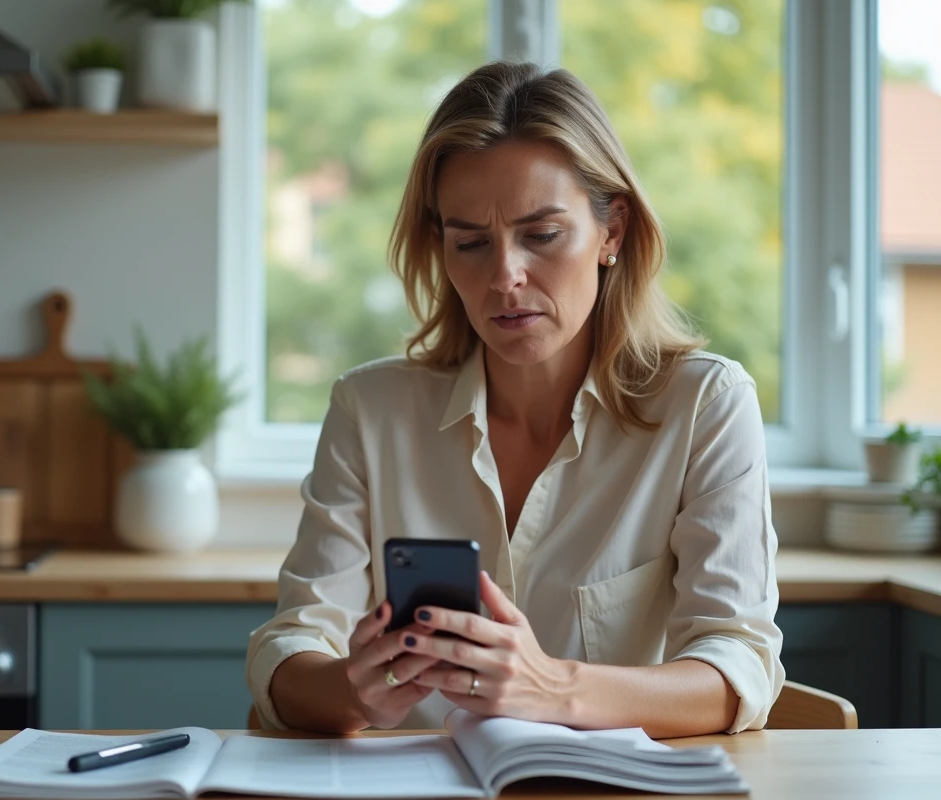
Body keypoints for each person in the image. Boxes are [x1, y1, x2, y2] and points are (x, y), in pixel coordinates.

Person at [245, 61, 784, 738]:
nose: (504, 277)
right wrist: (354, 693)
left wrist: (553, 688)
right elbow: (290, 648)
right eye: (470, 242)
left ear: (612, 232)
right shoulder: (370, 409)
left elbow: (738, 667)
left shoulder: (705, 405)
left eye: (542, 235)